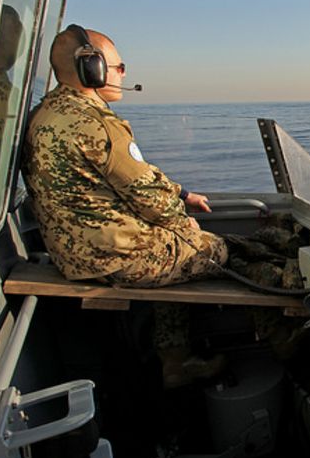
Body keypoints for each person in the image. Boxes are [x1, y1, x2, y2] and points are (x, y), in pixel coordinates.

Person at [22, 25, 229, 388]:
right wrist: (185, 223)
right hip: (113, 258)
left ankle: (176, 363)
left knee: (172, 250)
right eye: (118, 67)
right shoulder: (97, 123)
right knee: (220, 250)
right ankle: (278, 341)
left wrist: (181, 195)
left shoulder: (46, 113)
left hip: (74, 255)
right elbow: (151, 200)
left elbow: (126, 180)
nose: (123, 75)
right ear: (93, 69)